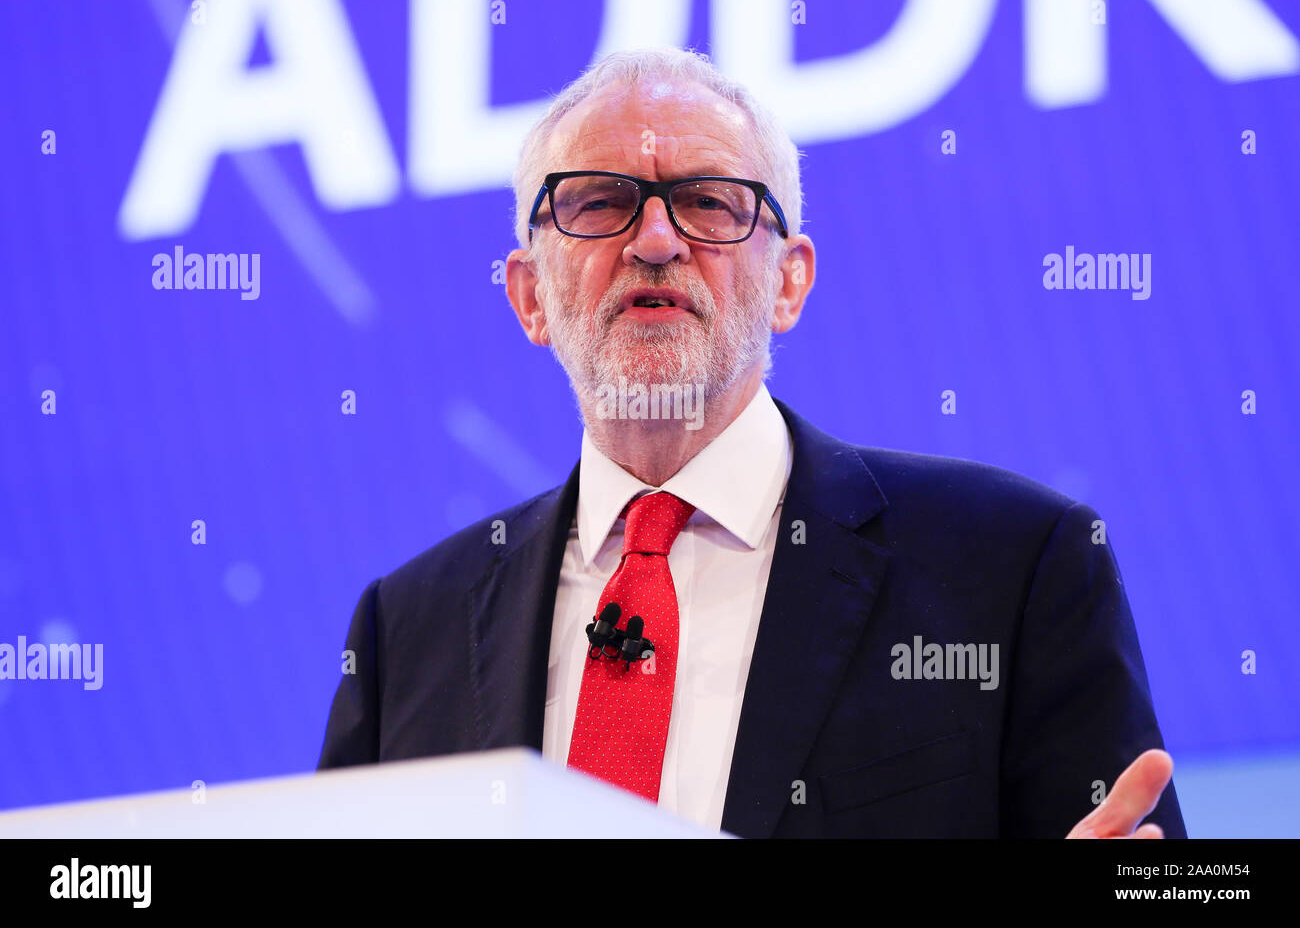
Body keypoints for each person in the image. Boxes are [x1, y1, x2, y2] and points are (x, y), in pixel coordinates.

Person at [317, 47, 1185, 839]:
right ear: (529, 296)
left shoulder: (1011, 567)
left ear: (789, 282)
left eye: (707, 203)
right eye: (600, 203)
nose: (655, 242)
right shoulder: (406, 632)